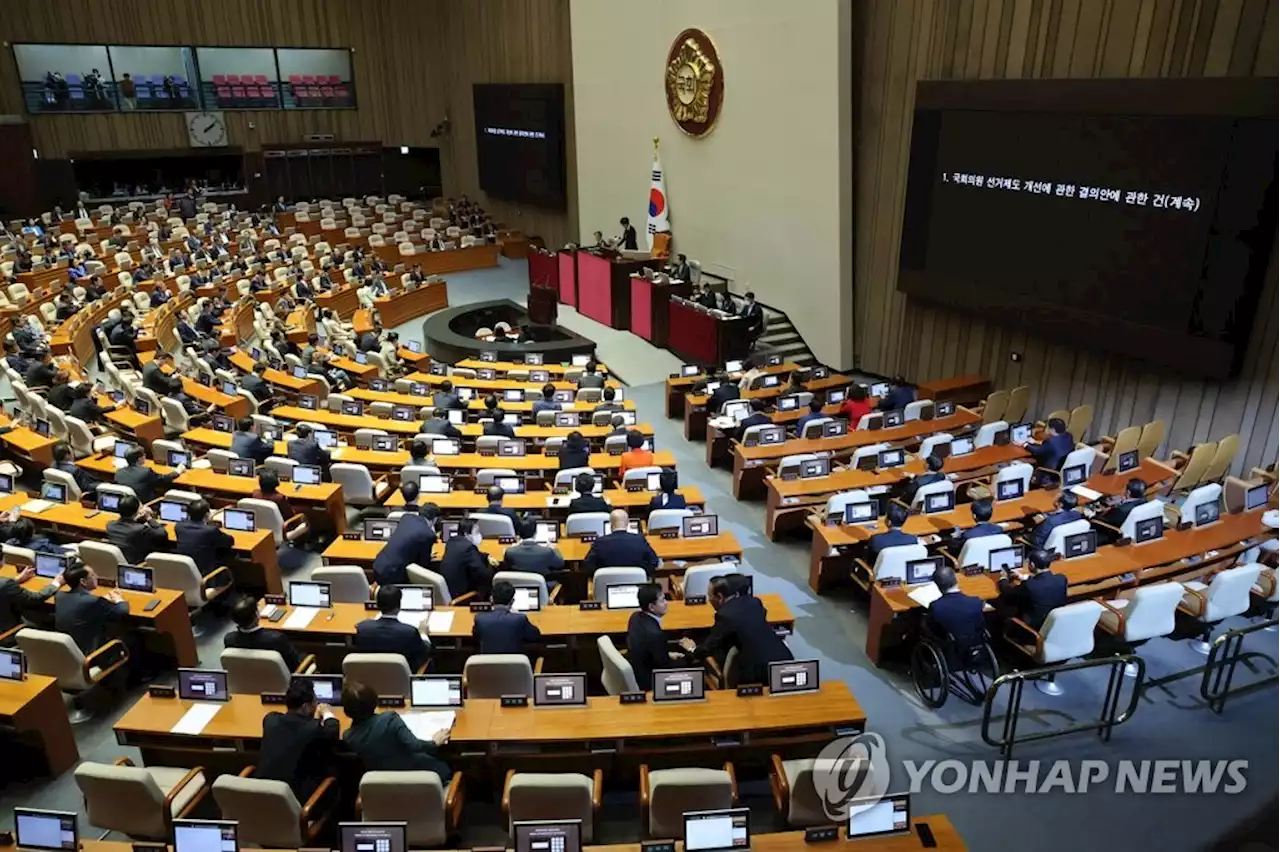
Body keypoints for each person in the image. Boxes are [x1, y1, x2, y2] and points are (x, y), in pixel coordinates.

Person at [694, 575, 793, 685]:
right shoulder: (754, 602)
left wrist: (692, 648)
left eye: (710, 596)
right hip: (784, 660)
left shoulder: (724, 616)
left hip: (756, 674)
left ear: (720, 597)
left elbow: (708, 647)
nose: (709, 600)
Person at [342, 681, 452, 778]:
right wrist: (435, 743)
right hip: (420, 777)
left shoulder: (348, 736)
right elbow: (416, 746)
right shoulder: (389, 719)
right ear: (374, 701)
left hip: (386, 787)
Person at [256, 679, 340, 802]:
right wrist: (326, 713)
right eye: (314, 702)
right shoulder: (312, 729)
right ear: (306, 706)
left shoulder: (270, 720)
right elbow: (332, 731)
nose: (316, 704)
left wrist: (314, 721)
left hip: (262, 796)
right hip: (295, 801)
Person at [626, 584, 692, 691]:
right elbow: (664, 669)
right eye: (662, 601)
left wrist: (666, 654)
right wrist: (690, 655)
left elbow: (647, 649)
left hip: (639, 668)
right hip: (650, 682)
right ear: (651, 607)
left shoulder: (635, 617)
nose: (666, 603)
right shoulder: (656, 635)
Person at [55, 564, 128, 654]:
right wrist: (119, 599)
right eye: (92, 575)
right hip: (91, 656)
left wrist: (102, 600)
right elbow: (122, 612)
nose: (96, 576)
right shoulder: (93, 601)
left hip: (69, 653)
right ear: (83, 582)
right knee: (132, 637)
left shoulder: (59, 596)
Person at [354, 585, 431, 671]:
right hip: (402, 677)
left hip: (371, 676)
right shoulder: (410, 632)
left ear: (378, 605)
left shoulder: (362, 628)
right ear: (399, 605)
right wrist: (423, 633)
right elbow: (425, 651)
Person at [224, 595, 302, 671]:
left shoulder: (229, 639)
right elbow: (294, 664)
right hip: (279, 680)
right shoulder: (276, 639)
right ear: (256, 615)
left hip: (247, 679)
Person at [371, 501, 438, 588]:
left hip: (378, 564)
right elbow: (423, 565)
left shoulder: (406, 517)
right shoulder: (428, 534)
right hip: (393, 573)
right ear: (435, 519)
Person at [997, 548, 1068, 629]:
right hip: (1054, 625)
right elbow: (1043, 582)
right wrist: (1024, 577)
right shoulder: (1062, 579)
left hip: (1033, 629)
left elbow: (1007, 592)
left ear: (1033, 565)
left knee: (1002, 602)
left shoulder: (1029, 586)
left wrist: (1003, 578)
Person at [473, 580, 542, 654]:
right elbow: (535, 636)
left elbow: (476, 637)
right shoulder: (520, 619)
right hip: (514, 664)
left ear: (491, 599)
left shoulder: (480, 619)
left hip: (486, 664)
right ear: (512, 602)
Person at [925, 565, 987, 646]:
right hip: (976, 646)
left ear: (938, 586)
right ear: (956, 580)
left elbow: (933, 629)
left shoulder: (936, 607)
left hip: (950, 648)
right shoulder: (976, 602)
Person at [584, 509, 658, 576]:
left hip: (607, 584)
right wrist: (642, 572)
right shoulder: (639, 539)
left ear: (610, 524)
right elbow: (654, 561)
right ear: (627, 523)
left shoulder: (599, 542)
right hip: (636, 585)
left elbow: (587, 566)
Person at [175, 499, 234, 581]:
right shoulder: (211, 530)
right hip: (205, 577)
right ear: (207, 515)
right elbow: (230, 541)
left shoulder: (179, 527)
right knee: (230, 554)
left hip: (185, 574)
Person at [437, 519, 494, 600]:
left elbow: (471, 554)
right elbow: (483, 574)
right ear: (467, 534)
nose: (479, 535)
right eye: (476, 532)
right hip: (461, 595)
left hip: (451, 588)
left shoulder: (452, 542)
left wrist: (486, 556)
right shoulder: (469, 548)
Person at [105, 495, 171, 564]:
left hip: (119, 562)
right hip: (138, 563)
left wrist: (137, 517)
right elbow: (162, 534)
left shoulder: (110, 525)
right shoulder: (140, 529)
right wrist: (149, 517)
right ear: (137, 511)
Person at [0, 563, 61, 633]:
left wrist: (16, 579)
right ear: (1, 562)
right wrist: (56, 583)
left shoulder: (5, 584)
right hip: (7, 634)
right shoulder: (6, 584)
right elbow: (35, 598)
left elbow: (3, 586)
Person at [501, 518, 565, 579]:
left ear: (518, 534)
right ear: (535, 533)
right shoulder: (547, 551)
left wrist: (511, 548)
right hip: (543, 585)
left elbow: (506, 566)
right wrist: (554, 549)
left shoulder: (510, 552)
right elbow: (560, 564)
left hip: (517, 586)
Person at [116, 445, 182, 503]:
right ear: (139, 459)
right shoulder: (145, 472)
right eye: (144, 455)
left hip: (128, 504)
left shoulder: (119, 472)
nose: (145, 456)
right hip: (146, 504)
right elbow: (163, 480)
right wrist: (177, 471)